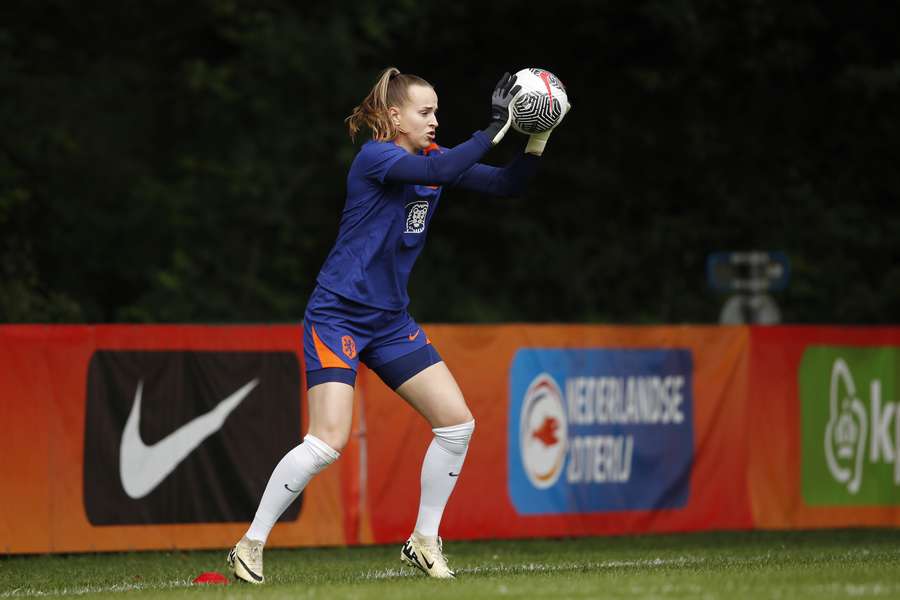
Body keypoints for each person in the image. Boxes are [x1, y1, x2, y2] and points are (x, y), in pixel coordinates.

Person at [227, 67, 568, 582]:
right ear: (393, 116)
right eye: (425, 112)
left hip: (388, 321)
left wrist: (536, 137)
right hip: (337, 313)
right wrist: (499, 124)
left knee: (457, 425)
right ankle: (250, 545)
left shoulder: (434, 161)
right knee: (327, 442)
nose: (434, 121)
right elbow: (446, 169)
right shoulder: (377, 158)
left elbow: (506, 185)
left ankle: (424, 541)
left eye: (436, 112)